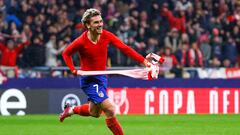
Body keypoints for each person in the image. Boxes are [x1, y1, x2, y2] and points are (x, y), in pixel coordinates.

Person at [60, 8, 161, 135]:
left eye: (101, 21)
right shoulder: (81, 41)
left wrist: (144, 61)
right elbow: (66, 53)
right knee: (110, 109)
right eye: (96, 22)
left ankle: (71, 110)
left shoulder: (106, 35)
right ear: (87, 25)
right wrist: (73, 70)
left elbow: (124, 48)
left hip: (102, 78)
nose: (100, 24)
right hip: (89, 80)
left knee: (94, 113)